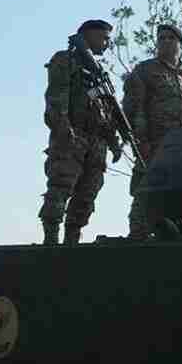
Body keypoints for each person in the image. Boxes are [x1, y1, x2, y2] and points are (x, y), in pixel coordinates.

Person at [122, 23, 182, 239]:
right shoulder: (145, 70)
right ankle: (138, 237)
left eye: (171, 38)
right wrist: (141, 140)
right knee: (147, 193)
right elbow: (134, 108)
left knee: (181, 195)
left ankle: (174, 235)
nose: (166, 41)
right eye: (161, 38)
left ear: (181, 45)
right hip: (156, 144)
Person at [38, 19, 122, 245]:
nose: (107, 43)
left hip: (97, 142)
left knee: (87, 195)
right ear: (89, 35)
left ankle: (72, 241)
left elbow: (106, 109)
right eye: (104, 38)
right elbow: (56, 99)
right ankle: (51, 241)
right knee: (60, 188)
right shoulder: (66, 60)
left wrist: (113, 141)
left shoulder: (97, 71)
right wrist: (65, 130)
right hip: (73, 136)